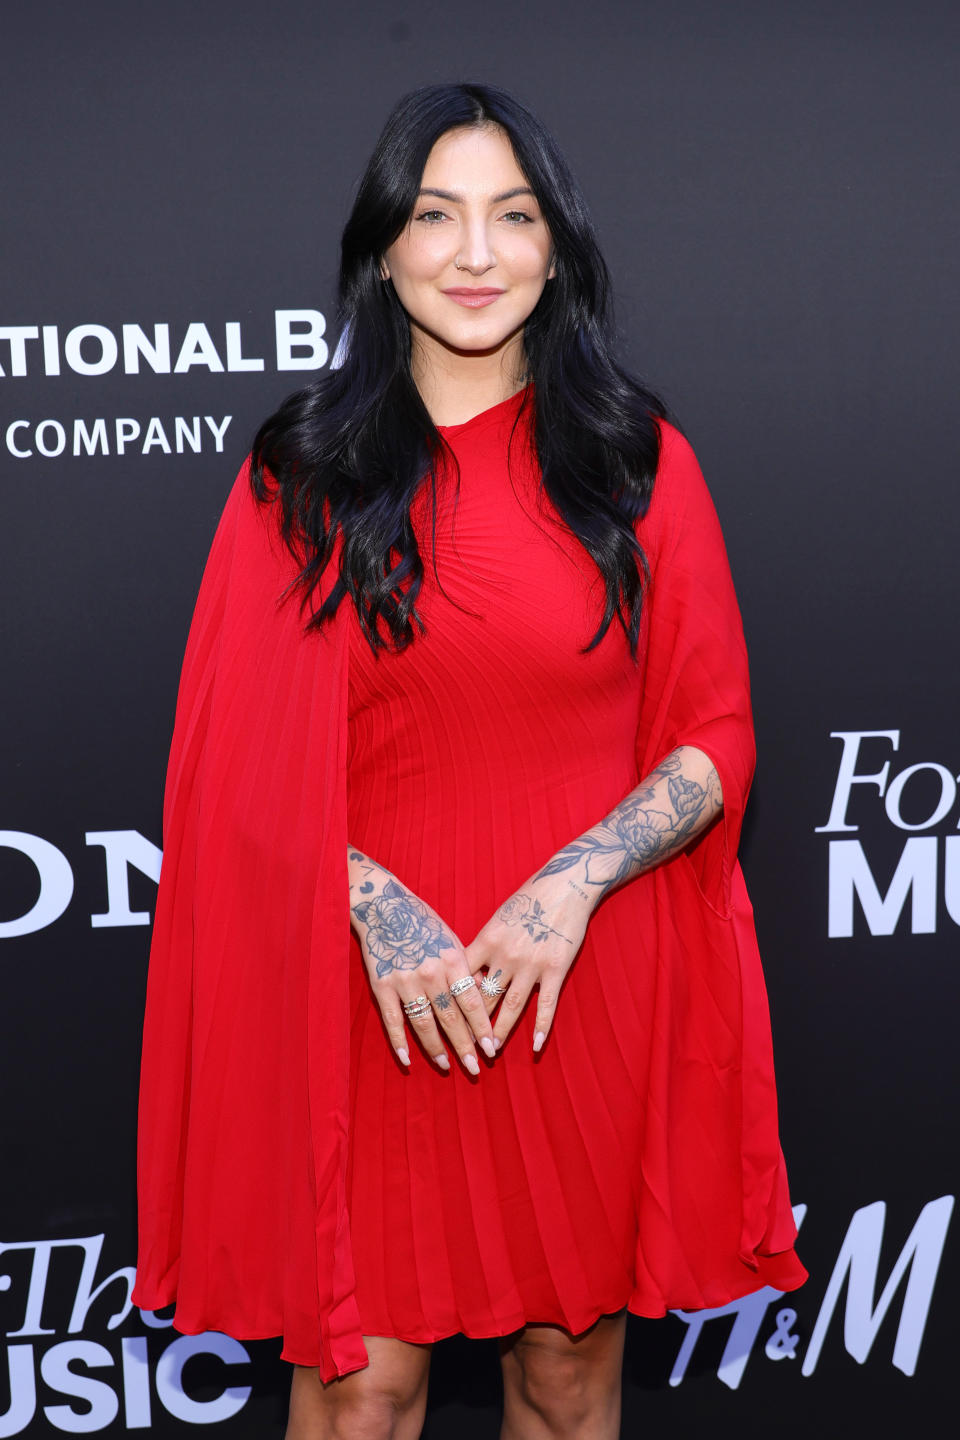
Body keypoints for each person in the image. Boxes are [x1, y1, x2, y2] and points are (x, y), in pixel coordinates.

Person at [132, 81, 809, 1440]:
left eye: (514, 214)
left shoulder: (635, 463)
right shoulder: (300, 480)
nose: (478, 253)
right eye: (436, 216)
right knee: (359, 1392)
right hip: (373, 998)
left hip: (575, 987)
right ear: (383, 248)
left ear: (559, 245)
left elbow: (712, 738)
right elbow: (228, 772)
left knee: (566, 1386)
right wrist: (375, 911)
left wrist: (569, 888)